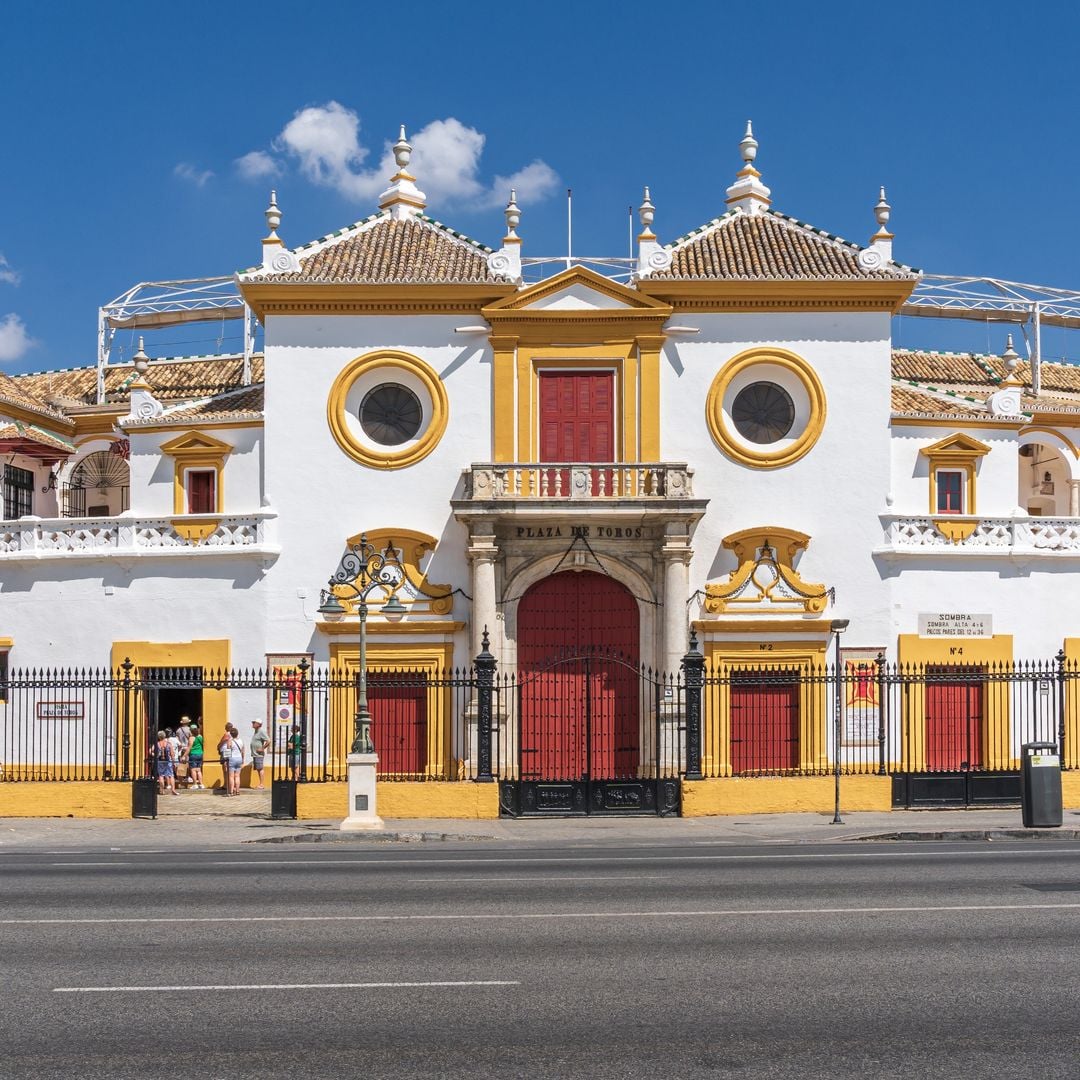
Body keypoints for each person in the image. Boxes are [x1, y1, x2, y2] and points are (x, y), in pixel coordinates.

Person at [153, 730, 177, 796]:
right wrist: (173, 762)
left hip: (160, 761)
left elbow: (151, 751)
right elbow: (172, 754)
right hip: (168, 761)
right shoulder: (168, 744)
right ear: (164, 736)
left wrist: (154, 755)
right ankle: (173, 790)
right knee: (171, 775)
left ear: (158, 737)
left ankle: (162, 790)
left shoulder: (157, 744)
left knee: (161, 775)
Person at [249, 719, 271, 789]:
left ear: (258, 724)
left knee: (260, 769)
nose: (252, 724)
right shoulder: (256, 731)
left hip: (259, 754)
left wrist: (262, 748)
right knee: (259, 769)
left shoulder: (261, 731)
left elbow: (268, 740)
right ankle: (260, 784)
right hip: (255, 754)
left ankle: (261, 784)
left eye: (254, 722)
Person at [227, 724, 244, 796]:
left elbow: (228, 751)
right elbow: (243, 751)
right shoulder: (241, 741)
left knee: (231, 776)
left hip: (232, 758)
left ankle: (231, 791)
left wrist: (226, 759)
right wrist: (243, 759)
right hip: (239, 758)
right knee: (237, 776)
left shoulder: (230, 741)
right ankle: (237, 791)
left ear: (231, 734)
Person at [187, 723, 204, 789]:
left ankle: (195, 784)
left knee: (193, 770)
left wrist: (184, 755)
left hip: (193, 754)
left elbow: (189, 748)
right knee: (199, 770)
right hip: (200, 754)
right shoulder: (200, 737)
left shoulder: (192, 738)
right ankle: (201, 784)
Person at [217, 725, 233, 793]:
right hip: (228, 751)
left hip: (225, 751)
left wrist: (218, 746)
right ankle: (227, 784)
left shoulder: (227, 734)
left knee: (225, 768)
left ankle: (226, 784)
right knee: (226, 768)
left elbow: (222, 742)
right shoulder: (232, 734)